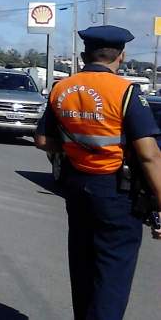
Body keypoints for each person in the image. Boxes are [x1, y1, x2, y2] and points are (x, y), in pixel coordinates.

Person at [34, 25, 161, 320]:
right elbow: (149, 154)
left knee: (83, 264)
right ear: (121, 56)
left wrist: (80, 148)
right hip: (115, 192)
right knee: (112, 273)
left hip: (76, 185)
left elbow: (42, 140)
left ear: (83, 55)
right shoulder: (125, 92)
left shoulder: (62, 88)